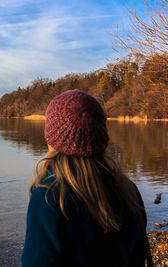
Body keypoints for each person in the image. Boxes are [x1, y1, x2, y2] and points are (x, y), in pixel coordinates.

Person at [21, 89, 151, 267]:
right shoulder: (128, 190)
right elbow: (137, 257)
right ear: (101, 135)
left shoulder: (48, 198)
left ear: (51, 139)